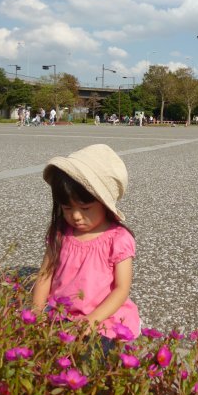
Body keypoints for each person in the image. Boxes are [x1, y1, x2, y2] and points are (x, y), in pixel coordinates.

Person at [32, 144, 140, 356]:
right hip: (59, 313)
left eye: (85, 208)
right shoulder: (61, 233)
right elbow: (45, 275)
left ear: (104, 203)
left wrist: (91, 321)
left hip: (101, 317)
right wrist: (36, 313)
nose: (76, 216)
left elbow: (121, 289)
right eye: (67, 208)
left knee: (89, 358)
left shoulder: (118, 239)